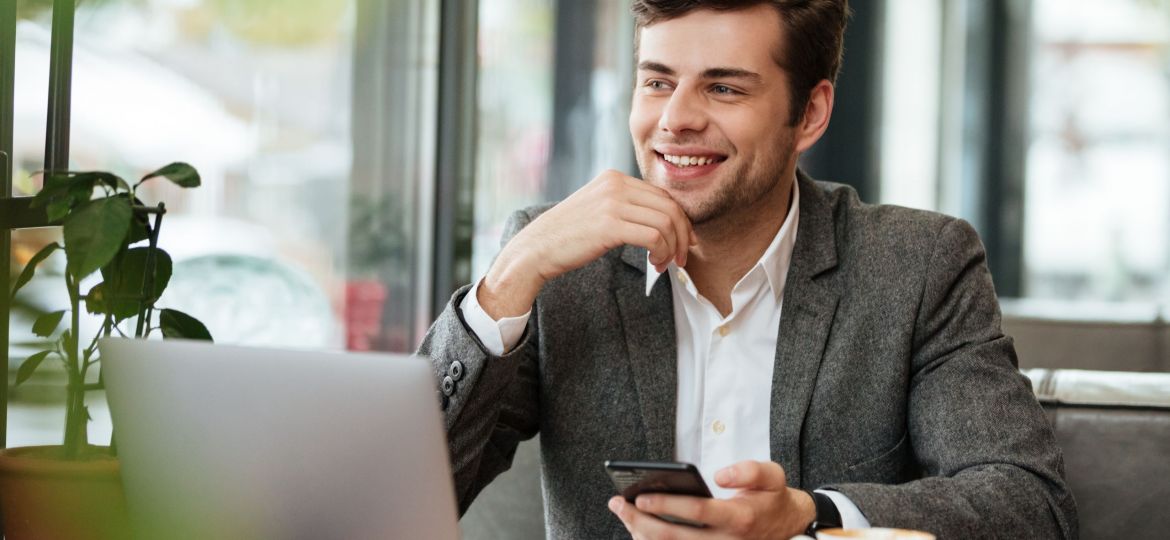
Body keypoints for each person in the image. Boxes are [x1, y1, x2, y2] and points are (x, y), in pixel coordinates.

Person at [418, 0, 1078, 538]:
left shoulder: (918, 266)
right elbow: (408, 494)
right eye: (657, 81)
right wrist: (506, 283)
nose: (674, 120)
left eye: (724, 87)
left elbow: (1027, 505)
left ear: (810, 113)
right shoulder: (558, 262)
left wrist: (812, 515)